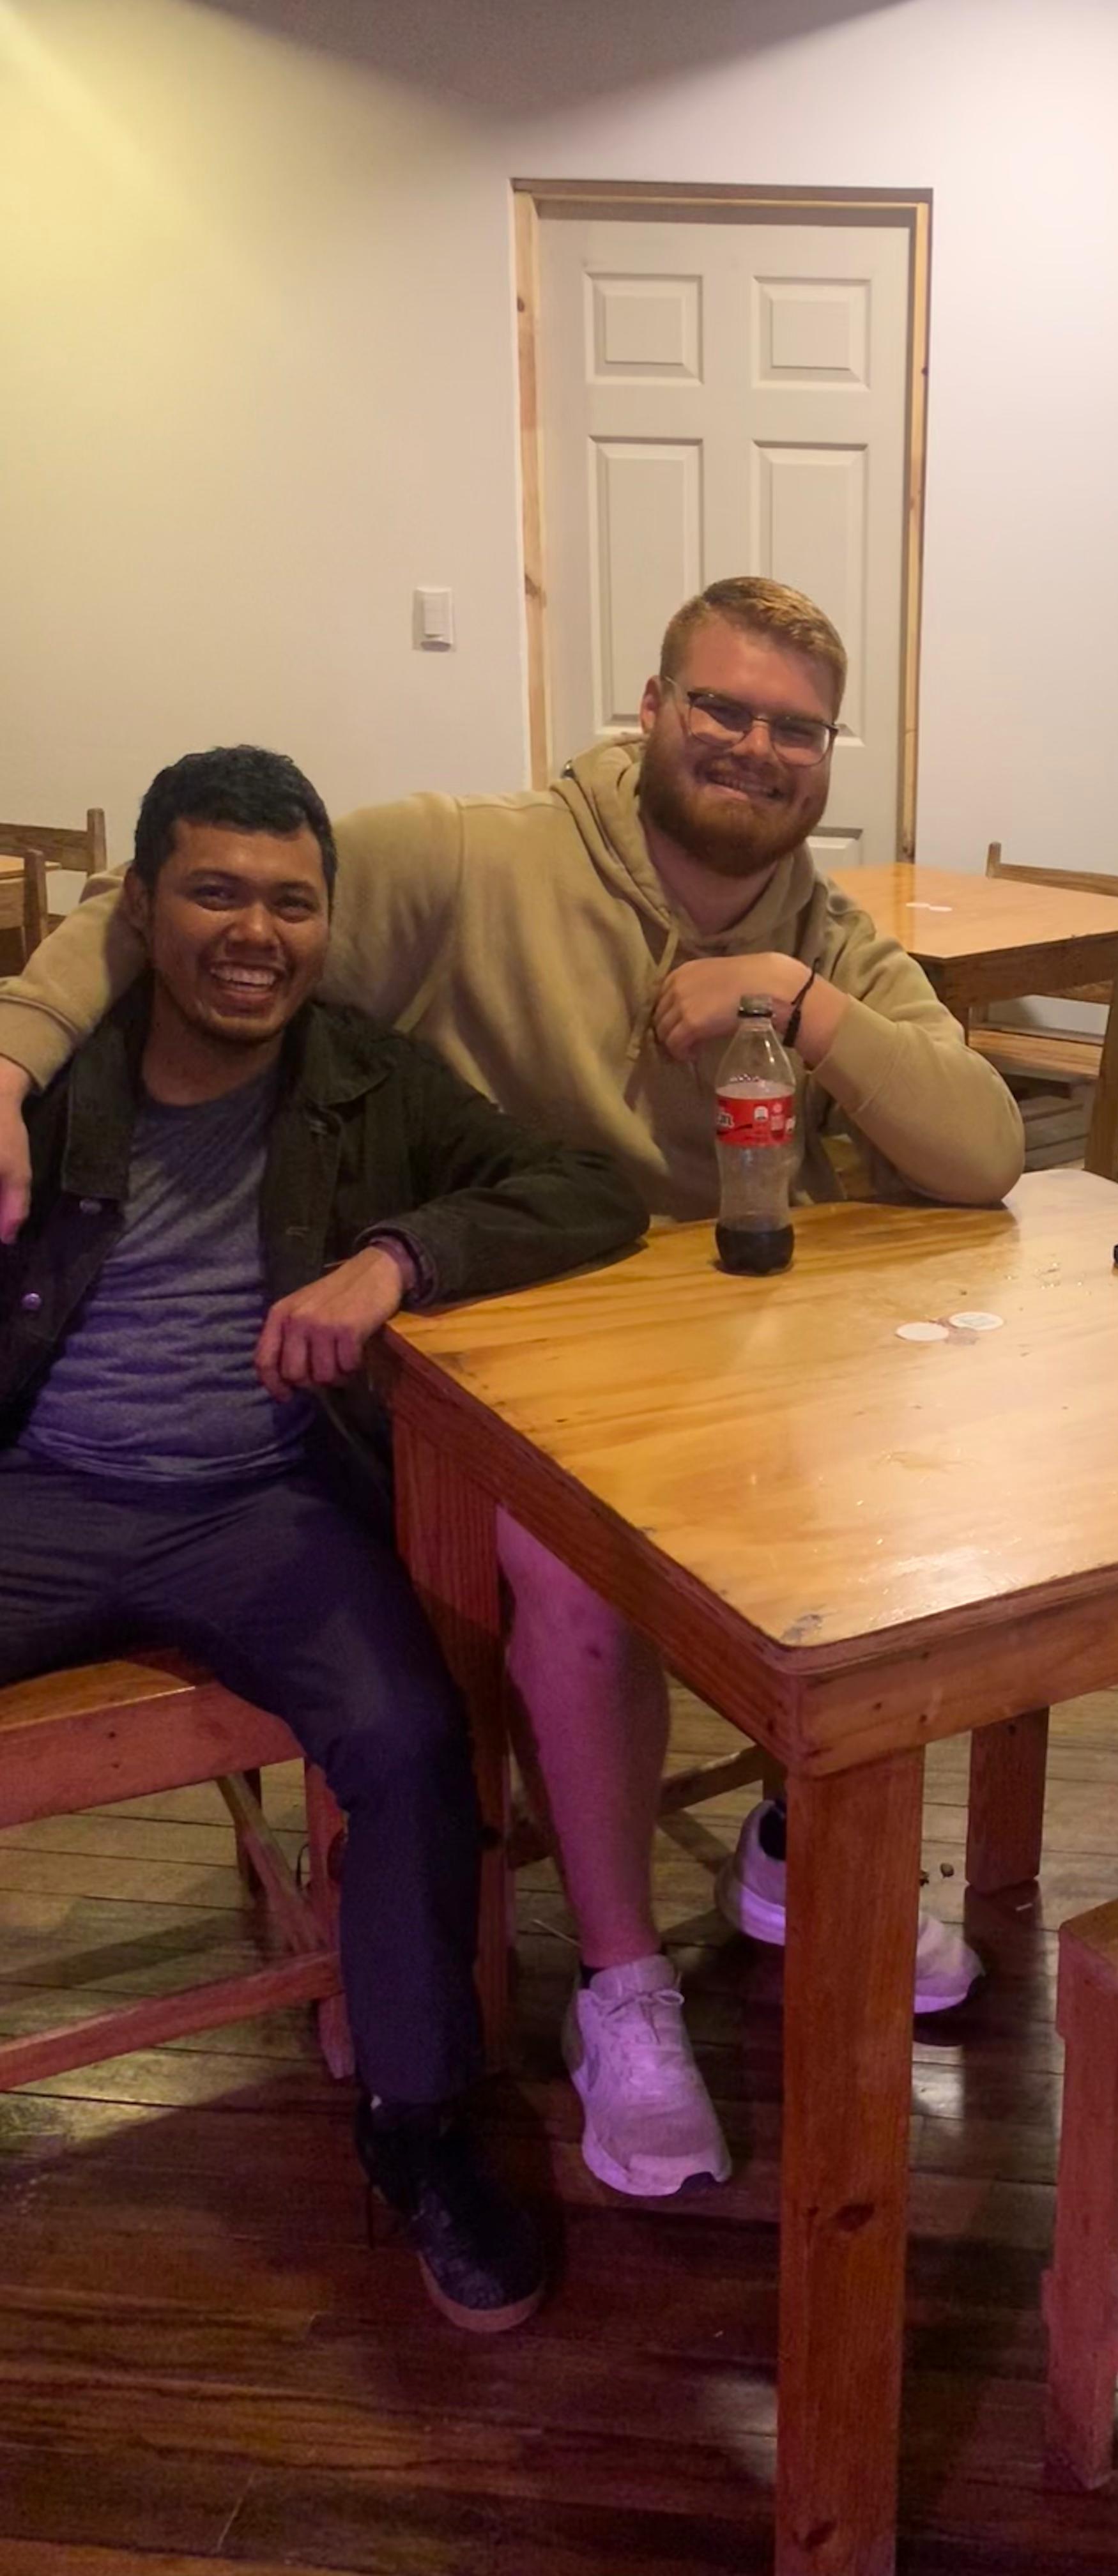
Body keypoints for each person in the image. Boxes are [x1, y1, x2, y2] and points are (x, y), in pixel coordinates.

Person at [0, 579, 1026, 2201]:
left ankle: (800, 1835)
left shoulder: (826, 936)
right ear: (652, 707)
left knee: (899, 1520)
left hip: (729, 1364)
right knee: (570, 1568)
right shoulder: (473, 858)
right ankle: (624, 1989)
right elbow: (198, 911)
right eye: (722, 706)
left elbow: (982, 1150)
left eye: (796, 727)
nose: (755, 747)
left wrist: (792, 998)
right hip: (504, 1364)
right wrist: (9, 1051)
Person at [0, 746, 649, 2326]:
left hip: (266, 1505)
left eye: (293, 904)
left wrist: (396, 1258)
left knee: (416, 1740)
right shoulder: (51, 1079)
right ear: (140, 907)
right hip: (38, 1491)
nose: (256, 934)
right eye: (216, 893)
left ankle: (418, 2130)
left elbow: (590, 1192)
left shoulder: (367, 1081)